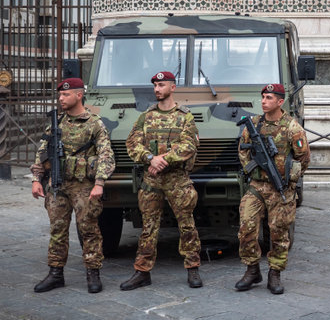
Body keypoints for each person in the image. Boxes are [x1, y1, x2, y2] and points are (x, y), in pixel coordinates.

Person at [31, 77, 115, 293]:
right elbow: (42, 152)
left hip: (84, 186)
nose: (61, 98)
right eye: (60, 95)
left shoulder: (94, 123)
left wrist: (99, 183)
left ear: (79, 95)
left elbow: (106, 155)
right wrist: (36, 180)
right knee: (57, 230)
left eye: (65, 94)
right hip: (57, 186)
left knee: (88, 230)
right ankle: (55, 273)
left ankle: (93, 273)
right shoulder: (56, 123)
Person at [120, 71, 202, 290]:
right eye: (155, 85)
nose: (157, 89)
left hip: (177, 180)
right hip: (151, 182)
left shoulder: (185, 116)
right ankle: (142, 272)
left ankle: (192, 268)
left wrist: (162, 160)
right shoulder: (145, 117)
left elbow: (189, 145)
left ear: (172, 88)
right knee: (148, 227)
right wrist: (149, 159)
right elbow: (132, 144)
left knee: (187, 225)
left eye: (162, 85)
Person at [235, 83, 310, 294]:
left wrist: (287, 179)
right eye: (263, 97)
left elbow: (303, 159)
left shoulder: (292, 127)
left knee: (279, 233)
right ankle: (252, 270)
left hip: (281, 189)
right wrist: (253, 168)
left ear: (279, 101)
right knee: (246, 228)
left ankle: (275, 273)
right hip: (257, 186)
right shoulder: (254, 124)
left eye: (269, 98)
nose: (264, 101)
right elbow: (243, 150)